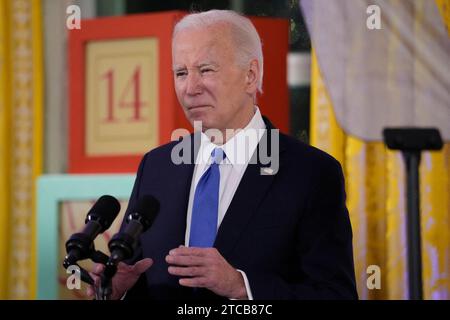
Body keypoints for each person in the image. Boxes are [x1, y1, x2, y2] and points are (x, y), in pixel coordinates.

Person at [88, 9, 358, 300]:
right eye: (181, 73)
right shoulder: (157, 166)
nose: (190, 88)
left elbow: (336, 294)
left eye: (206, 70)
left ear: (250, 76)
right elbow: (140, 274)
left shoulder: (311, 174)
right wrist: (116, 292)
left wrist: (243, 287)